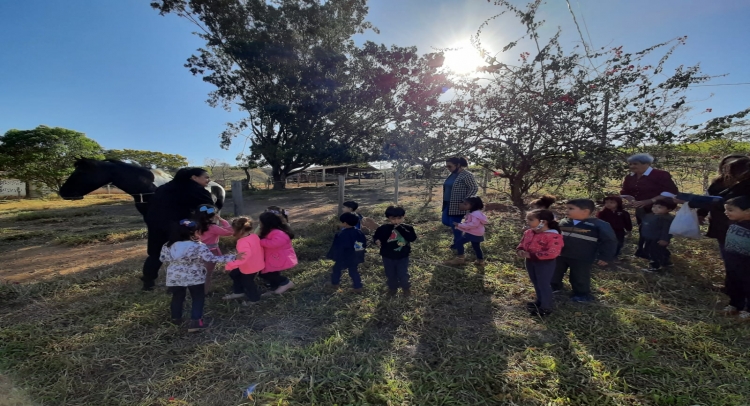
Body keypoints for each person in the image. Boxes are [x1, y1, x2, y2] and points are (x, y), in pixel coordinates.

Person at [159, 219, 240, 332]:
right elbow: (210, 258)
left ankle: (175, 319)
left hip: (174, 276)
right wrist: (233, 257)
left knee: (177, 297)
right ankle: (196, 322)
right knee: (197, 298)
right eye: (198, 231)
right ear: (192, 233)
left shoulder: (168, 245)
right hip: (194, 275)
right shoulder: (198, 246)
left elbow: (162, 258)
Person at [142, 167, 216, 291]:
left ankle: (148, 282)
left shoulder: (163, 188)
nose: (208, 180)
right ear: (194, 177)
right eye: (206, 177)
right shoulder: (197, 190)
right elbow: (209, 209)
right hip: (180, 227)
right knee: (181, 255)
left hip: (155, 224)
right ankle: (177, 284)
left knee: (155, 253)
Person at [551, 199, 618, 302]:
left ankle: (581, 294)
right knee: (555, 272)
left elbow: (610, 241)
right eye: (567, 208)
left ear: (585, 211)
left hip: (582, 257)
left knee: (580, 276)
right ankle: (554, 287)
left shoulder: (598, 225)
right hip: (561, 255)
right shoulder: (564, 222)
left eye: (571, 209)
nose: (567, 211)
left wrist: (605, 256)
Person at [619, 153, 679, 258]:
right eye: (630, 164)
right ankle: (642, 251)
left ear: (646, 164)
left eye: (635, 164)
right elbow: (625, 191)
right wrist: (631, 199)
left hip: (659, 208)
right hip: (641, 208)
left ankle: (659, 255)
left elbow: (671, 192)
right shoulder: (630, 177)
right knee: (643, 228)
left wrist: (650, 200)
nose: (632, 166)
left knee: (656, 231)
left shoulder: (660, 175)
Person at [690, 155, 750, 258]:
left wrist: (690, 200)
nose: (726, 170)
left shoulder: (745, 185)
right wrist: (700, 211)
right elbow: (713, 198)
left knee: (738, 260)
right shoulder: (719, 183)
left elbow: (721, 201)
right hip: (721, 224)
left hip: (741, 227)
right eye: (724, 166)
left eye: (729, 167)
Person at [517, 209, 564, 317]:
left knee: (543, 284)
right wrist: (520, 250)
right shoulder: (529, 232)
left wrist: (532, 255)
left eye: (531, 219)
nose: (528, 222)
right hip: (530, 262)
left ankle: (545, 307)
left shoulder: (554, 236)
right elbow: (522, 243)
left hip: (545, 264)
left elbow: (553, 253)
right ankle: (539, 301)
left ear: (543, 222)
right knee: (536, 282)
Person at [373, 206, 418, 296]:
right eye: (393, 218)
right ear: (388, 218)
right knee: (390, 274)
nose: (396, 221)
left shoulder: (408, 228)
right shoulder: (383, 228)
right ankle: (392, 288)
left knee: (403, 274)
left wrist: (400, 228)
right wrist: (376, 240)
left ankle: (406, 288)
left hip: (402, 256)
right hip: (387, 256)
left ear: (403, 216)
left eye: (399, 218)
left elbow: (412, 238)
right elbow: (376, 236)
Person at [223, 217, 265, 306]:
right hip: (255, 263)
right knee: (234, 274)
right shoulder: (254, 236)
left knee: (248, 282)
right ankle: (239, 291)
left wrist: (230, 265)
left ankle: (254, 299)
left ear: (238, 230)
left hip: (249, 267)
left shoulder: (242, 242)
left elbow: (244, 257)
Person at [442, 157, 479, 252]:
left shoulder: (466, 175)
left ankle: (459, 249)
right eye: (446, 166)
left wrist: (465, 202)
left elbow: (474, 188)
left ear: (458, 165)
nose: (448, 168)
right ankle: (465, 237)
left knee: (455, 226)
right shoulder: (452, 175)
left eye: (449, 166)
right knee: (445, 221)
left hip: (458, 205)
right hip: (447, 204)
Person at [194, 204, 233, 294]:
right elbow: (230, 232)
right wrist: (223, 221)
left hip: (196, 252)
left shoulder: (194, 226)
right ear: (213, 216)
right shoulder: (213, 228)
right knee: (207, 274)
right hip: (210, 253)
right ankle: (204, 292)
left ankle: (194, 291)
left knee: (196, 273)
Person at [722, 196, 750, 319]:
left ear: (747, 211)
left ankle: (748, 309)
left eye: (730, 210)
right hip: (732, 260)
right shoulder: (734, 222)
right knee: (732, 282)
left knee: (748, 284)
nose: (726, 212)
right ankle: (735, 304)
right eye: (726, 209)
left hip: (747, 262)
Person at [258, 212, 297, 295]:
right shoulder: (271, 231)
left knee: (271, 274)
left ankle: (286, 283)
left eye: (261, 222)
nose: (259, 224)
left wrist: (261, 242)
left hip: (278, 258)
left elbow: (275, 243)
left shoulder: (278, 232)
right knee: (265, 273)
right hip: (273, 258)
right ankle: (274, 287)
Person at [326, 212, 367, 292]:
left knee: (336, 269)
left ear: (345, 223)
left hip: (343, 257)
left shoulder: (342, 234)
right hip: (355, 256)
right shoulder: (359, 232)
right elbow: (362, 244)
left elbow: (338, 247)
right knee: (353, 271)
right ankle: (358, 286)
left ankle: (335, 284)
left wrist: (334, 255)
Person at [446, 196, 488, 266]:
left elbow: (473, 224)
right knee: (476, 247)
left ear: (473, 205)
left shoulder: (475, 214)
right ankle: (480, 261)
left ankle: (460, 259)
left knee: (459, 242)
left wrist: (459, 225)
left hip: (473, 233)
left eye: (466, 204)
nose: (463, 205)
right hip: (478, 233)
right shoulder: (476, 213)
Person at [639, 199, 677, 272]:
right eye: (654, 206)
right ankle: (666, 262)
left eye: (660, 207)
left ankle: (655, 266)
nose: (655, 208)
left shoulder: (666, 219)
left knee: (653, 252)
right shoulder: (650, 215)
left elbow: (666, 230)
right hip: (649, 236)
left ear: (669, 209)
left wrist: (664, 239)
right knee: (658, 250)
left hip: (658, 238)